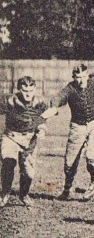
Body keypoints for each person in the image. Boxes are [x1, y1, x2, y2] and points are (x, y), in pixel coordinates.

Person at [50, 64, 94, 200]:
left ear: (87, 75)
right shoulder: (70, 88)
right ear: (73, 77)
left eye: (83, 76)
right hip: (77, 127)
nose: (81, 80)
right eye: (78, 77)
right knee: (69, 163)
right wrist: (53, 106)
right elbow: (59, 97)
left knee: (91, 158)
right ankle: (67, 190)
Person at [0, 77, 58, 208]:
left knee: (28, 173)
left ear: (35, 89)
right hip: (11, 137)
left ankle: (24, 194)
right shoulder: (10, 100)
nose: (28, 94)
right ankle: (5, 194)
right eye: (25, 91)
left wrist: (42, 128)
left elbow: (53, 110)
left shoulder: (40, 101)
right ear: (19, 89)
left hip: (29, 139)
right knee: (8, 161)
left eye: (31, 90)